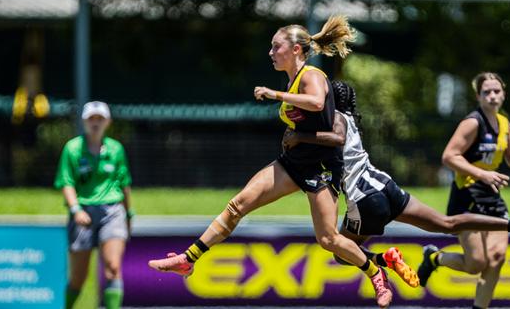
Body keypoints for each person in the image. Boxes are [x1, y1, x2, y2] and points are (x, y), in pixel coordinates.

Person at [148, 16, 399, 308]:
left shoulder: (311, 75)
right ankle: (188, 259)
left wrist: (275, 94)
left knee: (328, 239)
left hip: (321, 169)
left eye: (275, 46)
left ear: (295, 49)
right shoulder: (293, 79)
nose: (270, 52)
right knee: (237, 205)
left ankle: (376, 272)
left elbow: (317, 103)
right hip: (292, 164)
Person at [282, 80, 510, 299]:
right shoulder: (350, 118)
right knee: (447, 224)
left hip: (366, 201)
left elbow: (330, 142)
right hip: (386, 185)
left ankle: (383, 259)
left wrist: (297, 136)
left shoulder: (333, 121)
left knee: (340, 252)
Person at [416, 72, 510, 309]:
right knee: (476, 263)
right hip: (466, 196)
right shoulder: (472, 123)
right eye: (486, 92)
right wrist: (482, 174)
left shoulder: (503, 123)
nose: (492, 96)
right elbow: (449, 157)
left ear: (503, 94)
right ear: (478, 96)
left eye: (496, 91)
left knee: (497, 258)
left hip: (492, 197)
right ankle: (435, 258)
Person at [55, 101, 135, 309]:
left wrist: (128, 214)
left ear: (107, 122)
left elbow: (124, 183)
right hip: (83, 213)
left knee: (113, 267)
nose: (96, 123)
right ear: (84, 121)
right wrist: (76, 210)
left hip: (112, 212)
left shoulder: (116, 149)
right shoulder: (72, 148)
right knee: (78, 279)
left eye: (100, 119)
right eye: (92, 119)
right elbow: (66, 183)